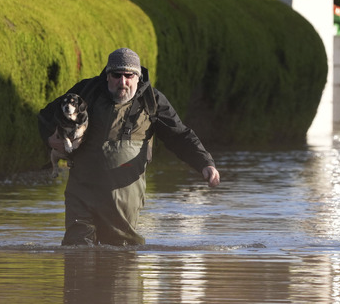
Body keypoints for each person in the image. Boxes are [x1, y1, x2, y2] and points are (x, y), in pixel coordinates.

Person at [38, 47, 221, 246]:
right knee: (76, 250)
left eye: (129, 75)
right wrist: (51, 139)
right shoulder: (87, 91)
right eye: (117, 75)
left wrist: (205, 163)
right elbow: (47, 116)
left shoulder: (153, 101)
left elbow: (180, 136)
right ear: (107, 75)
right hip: (82, 191)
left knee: (120, 258)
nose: (123, 82)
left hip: (124, 198)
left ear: (138, 77)